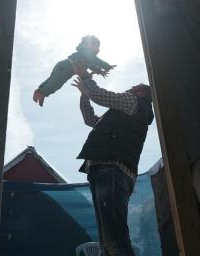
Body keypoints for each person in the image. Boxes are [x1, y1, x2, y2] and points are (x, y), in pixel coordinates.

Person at [71, 60, 154, 256]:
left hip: (111, 169)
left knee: (113, 239)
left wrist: (85, 77)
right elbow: (90, 120)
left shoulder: (133, 102)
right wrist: (84, 95)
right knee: (108, 242)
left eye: (133, 88)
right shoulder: (123, 115)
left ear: (142, 93)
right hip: (106, 170)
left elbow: (100, 95)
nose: (129, 89)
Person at [33, 35, 116, 106]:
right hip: (66, 67)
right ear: (89, 44)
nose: (98, 49)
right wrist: (106, 66)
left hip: (64, 67)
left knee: (53, 81)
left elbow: (92, 66)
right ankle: (42, 92)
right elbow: (96, 60)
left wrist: (100, 71)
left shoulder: (86, 56)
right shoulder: (87, 52)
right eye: (97, 46)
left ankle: (40, 91)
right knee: (55, 82)